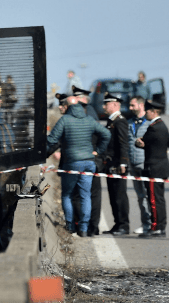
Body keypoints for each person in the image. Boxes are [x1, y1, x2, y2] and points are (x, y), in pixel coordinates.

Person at [47, 95, 111, 237]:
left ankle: (70, 226)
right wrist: (98, 151)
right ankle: (83, 228)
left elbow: (52, 139)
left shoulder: (65, 120)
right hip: (89, 162)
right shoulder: (89, 119)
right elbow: (106, 134)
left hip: (72, 162)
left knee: (67, 194)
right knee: (85, 196)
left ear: (67, 107)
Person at [135, 100, 169, 237]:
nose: (146, 113)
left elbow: (142, 142)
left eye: (148, 111)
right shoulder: (161, 125)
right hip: (160, 167)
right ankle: (159, 226)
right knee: (159, 198)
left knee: (154, 199)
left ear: (154, 112)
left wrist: (139, 142)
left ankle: (156, 227)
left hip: (154, 168)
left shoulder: (155, 127)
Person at [71, 86, 102, 236]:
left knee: (88, 194)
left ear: (83, 99)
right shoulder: (89, 112)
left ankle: (90, 227)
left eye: (77, 97)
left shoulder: (87, 113)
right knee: (89, 194)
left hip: (88, 158)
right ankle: (91, 227)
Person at [101, 92, 131, 235]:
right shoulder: (111, 121)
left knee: (119, 196)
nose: (104, 106)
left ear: (114, 105)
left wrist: (123, 163)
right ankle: (117, 223)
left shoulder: (120, 121)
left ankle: (124, 225)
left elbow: (123, 144)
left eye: (106, 104)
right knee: (113, 196)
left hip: (118, 165)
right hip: (110, 164)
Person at [127, 96, 152, 234]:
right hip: (133, 164)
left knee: (148, 196)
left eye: (132, 105)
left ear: (141, 105)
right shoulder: (130, 122)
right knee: (140, 196)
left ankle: (152, 224)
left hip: (145, 163)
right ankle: (145, 223)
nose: (130, 108)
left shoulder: (149, 123)